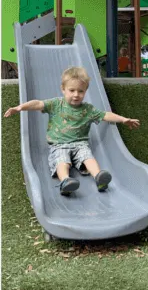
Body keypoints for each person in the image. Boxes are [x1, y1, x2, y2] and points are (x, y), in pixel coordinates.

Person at [4, 65, 140, 195]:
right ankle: (65, 181)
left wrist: (123, 119)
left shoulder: (88, 109)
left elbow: (105, 115)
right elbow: (38, 103)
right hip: (59, 145)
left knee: (88, 157)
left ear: (85, 91)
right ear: (63, 89)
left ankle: (99, 177)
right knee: (62, 161)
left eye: (81, 91)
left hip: (80, 144)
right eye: (72, 90)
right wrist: (20, 107)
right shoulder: (56, 104)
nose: (76, 95)